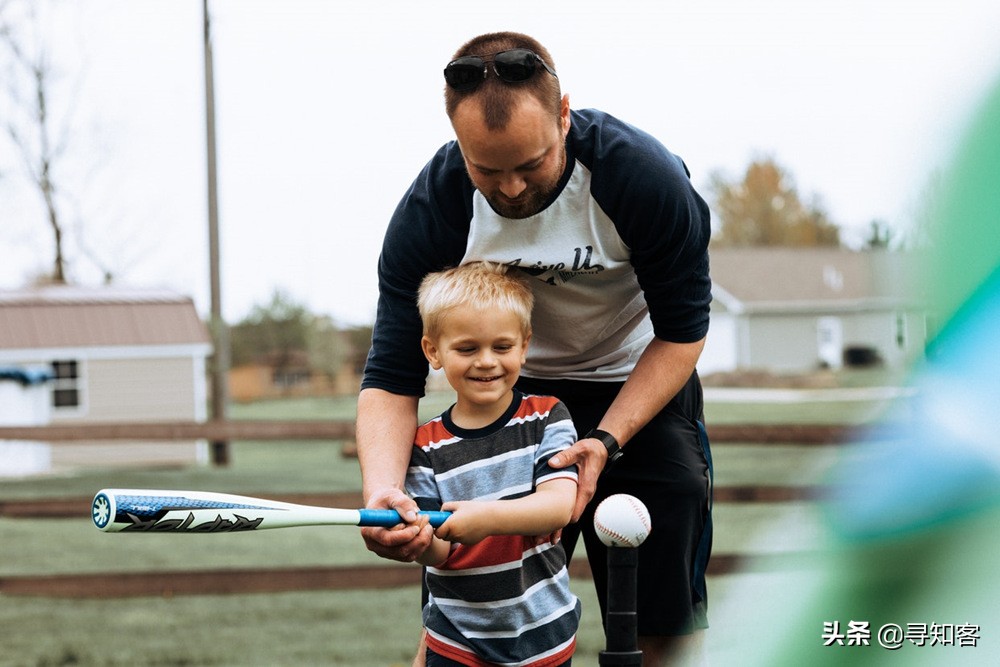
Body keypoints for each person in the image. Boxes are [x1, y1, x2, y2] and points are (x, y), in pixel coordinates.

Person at [358, 31, 713, 665]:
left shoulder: (641, 178)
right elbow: (391, 374)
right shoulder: (434, 207)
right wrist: (385, 489)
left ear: (564, 114)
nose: (514, 188)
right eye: (487, 169)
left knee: (665, 621)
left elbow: (682, 333)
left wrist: (605, 441)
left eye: (532, 162)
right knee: (471, 604)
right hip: (507, 391)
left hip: (635, 382)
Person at [408, 261, 581, 666]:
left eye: (501, 347)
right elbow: (436, 551)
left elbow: (558, 506)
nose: (486, 361)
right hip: (456, 640)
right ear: (433, 351)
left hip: (544, 634)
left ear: (524, 345)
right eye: (467, 348)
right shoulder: (424, 444)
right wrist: (416, 539)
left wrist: (484, 518)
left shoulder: (547, 418)